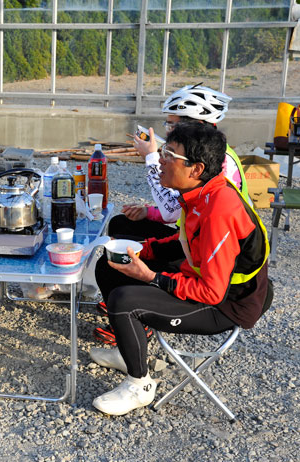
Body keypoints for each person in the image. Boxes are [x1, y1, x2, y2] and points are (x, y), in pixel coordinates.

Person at [90, 123, 272, 416]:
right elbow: (185, 239)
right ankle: (128, 351)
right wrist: (143, 249)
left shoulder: (219, 211)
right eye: (163, 151)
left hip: (228, 304)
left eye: (169, 154)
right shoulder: (205, 192)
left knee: (124, 301)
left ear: (196, 169)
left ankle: (139, 386)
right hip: (210, 285)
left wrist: (150, 277)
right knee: (110, 265)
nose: (160, 159)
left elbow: (212, 292)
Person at [94, 84, 252, 345]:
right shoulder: (210, 151)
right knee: (121, 226)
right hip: (192, 239)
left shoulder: (217, 161)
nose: (168, 131)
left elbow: (173, 208)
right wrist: (148, 212)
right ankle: (121, 300)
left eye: (171, 125)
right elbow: (181, 209)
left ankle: (134, 311)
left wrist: (150, 158)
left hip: (210, 255)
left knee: (118, 251)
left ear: (196, 124)